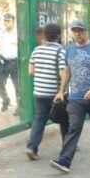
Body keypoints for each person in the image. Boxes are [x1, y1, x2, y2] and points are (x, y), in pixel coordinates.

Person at [49, 20, 90, 173]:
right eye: (74, 30)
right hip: (75, 96)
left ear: (85, 31)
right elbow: (67, 72)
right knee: (74, 126)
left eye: (80, 30)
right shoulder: (69, 49)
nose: (77, 33)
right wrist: (61, 91)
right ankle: (65, 161)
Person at [26, 23, 68, 160]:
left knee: (39, 120)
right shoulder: (61, 51)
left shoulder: (36, 50)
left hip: (39, 92)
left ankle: (32, 147)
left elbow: (31, 71)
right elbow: (62, 73)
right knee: (64, 119)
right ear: (58, 35)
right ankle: (66, 146)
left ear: (45, 35)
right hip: (55, 93)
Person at [0, 13, 20, 114]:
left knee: (17, 85)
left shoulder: (18, 34)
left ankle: (19, 106)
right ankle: (5, 99)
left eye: (8, 21)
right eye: (4, 20)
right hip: (1, 62)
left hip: (14, 62)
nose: (6, 22)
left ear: (13, 22)